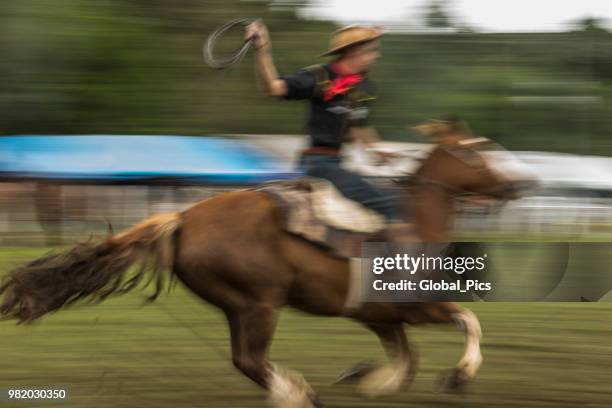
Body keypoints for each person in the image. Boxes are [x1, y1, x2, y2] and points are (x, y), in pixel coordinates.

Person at [245, 21, 400, 222]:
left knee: (387, 193)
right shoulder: (319, 77)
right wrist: (262, 50)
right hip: (318, 165)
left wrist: (377, 149)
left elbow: (359, 126)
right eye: (372, 51)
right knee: (387, 205)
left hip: (336, 163)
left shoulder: (366, 87)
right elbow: (273, 88)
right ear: (354, 51)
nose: (377, 56)